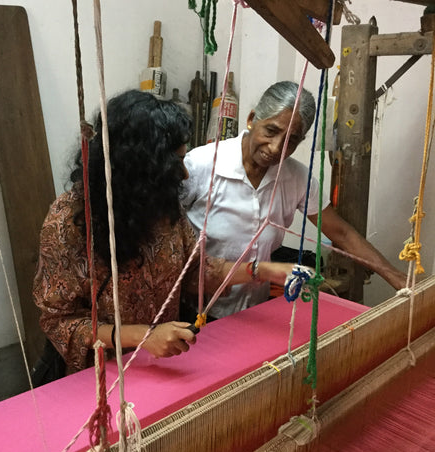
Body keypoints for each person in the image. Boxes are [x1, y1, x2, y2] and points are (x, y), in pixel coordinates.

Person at [32, 89, 293, 374]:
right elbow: (61, 322)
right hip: (100, 378)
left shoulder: (163, 208)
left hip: (161, 365)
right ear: (139, 168)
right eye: (175, 163)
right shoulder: (68, 223)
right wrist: (143, 336)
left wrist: (263, 271)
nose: (184, 174)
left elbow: (194, 272)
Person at [181, 81, 407, 319]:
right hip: (192, 313)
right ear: (251, 119)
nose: (277, 147)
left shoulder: (297, 178)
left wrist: (398, 279)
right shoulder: (201, 165)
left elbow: (342, 233)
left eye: (291, 140)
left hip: (255, 314)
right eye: (271, 131)